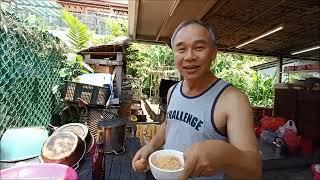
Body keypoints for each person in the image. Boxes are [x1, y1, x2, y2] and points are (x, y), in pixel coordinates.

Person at [132, 20, 262, 180]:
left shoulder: (233, 100)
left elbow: (254, 171)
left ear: (214, 53)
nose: (189, 56)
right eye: (181, 49)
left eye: (199, 47)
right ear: (174, 54)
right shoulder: (173, 91)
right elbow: (169, 124)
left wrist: (225, 154)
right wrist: (151, 147)